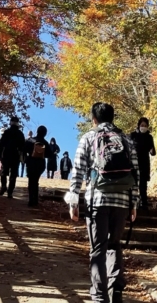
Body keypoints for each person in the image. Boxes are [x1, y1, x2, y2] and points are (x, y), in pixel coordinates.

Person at [66, 102, 139, 303]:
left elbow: (78, 170)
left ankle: (99, 297)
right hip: (122, 200)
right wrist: (134, 203)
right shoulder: (126, 139)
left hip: (97, 199)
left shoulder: (89, 137)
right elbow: (135, 173)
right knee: (114, 245)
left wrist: (73, 201)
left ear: (94, 119)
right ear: (113, 117)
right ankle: (116, 290)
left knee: (98, 248)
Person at [129, 117, 156, 211]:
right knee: (133, 183)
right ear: (138, 125)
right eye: (142, 125)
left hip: (144, 162)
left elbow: (153, 152)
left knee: (143, 184)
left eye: (145, 126)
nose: (143, 127)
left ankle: (143, 203)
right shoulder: (133, 135)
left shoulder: (149, 137)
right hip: (134, 162)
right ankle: (132, 203)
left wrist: (151, 150)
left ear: (148, 127)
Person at [0, 116, 25, 198]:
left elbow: (1, 144)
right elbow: (23, 146)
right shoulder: (20, 134)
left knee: (3, 171)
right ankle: (10, 192)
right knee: (13, 174)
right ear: (18, 123)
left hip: (6, 154)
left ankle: (3, 186)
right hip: (15, 155)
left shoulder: (7, 132)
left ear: (10, 122)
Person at [24, 125, 50, 207]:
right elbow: (50, 155)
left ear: (37, 131)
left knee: (31, 181)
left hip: (31, 163)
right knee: (36, 181)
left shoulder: (30, 140)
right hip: (40, 164)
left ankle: (31, 200)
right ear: (45, 133)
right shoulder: (45, 143)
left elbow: (23, 149)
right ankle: (35, 201)